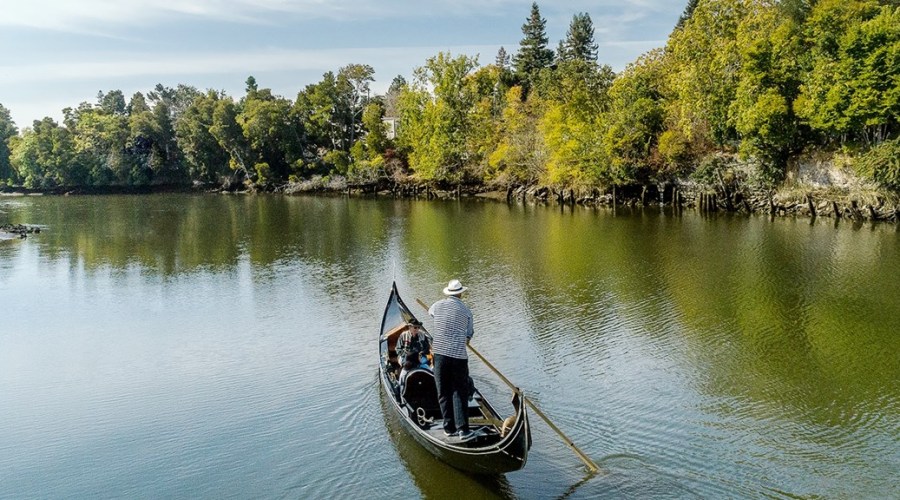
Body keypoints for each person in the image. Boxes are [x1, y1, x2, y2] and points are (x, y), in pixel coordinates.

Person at [428, 279, 476, 442]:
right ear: (461, 293)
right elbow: (469, 334)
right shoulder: (466, 311)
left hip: (440, 354)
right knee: (459, 392)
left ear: (448, 293)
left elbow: (431, 313)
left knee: (443, 392)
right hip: (458, 356)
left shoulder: (437, 305)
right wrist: (465, 337)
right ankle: (463, 430)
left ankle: (449, 428)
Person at [397, 319, 431, 393]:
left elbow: (427, 348)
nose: (417, 329)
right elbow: (398, 349)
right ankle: (401, 386)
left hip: (419, 357)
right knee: (405, 370)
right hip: (407, 357)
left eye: (418, 327)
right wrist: (406, 354)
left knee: (428, 368)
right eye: (415, 327)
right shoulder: (403, 335)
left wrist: (422, 352)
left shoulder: (423, 335)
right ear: (410, 327)